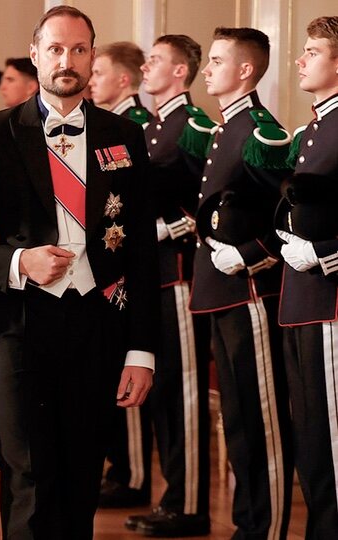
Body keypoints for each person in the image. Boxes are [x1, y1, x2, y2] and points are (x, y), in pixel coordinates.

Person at [0, 6, 159, 538]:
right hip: (20, 325)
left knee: (81, 476)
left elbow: (143, 254)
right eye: (55, 49)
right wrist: (17, 262)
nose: (67, 60)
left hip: (98, 326)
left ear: (92, 57)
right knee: (28, 473)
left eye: (79, 50)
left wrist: (141, 351)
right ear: (36, 55)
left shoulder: (124, 136)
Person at [190, 27, 294, 540]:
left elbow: (291, 215)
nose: (206, 70)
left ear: (245, 70)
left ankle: (267, 528)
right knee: (237, 418)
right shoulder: (225, 128)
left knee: (262, 421)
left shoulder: (260, 130)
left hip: (250, 290)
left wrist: (253, 256)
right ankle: (247, 525)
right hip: (222, 290)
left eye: (215, 61)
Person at [123, 34, 213, 537]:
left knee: (182, 391)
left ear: (180, 71)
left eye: (156, 60)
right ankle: (171, 494)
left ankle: (190, 503)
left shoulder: (194, 126)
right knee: (159, 394)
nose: (147, 68)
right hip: (150, 273)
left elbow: (212, 205)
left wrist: (171, 227)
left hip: (178, 272)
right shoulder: (154, 127)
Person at [278, 15, 338, 538]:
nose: (300, 60)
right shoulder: (313, 127)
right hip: (300, 295)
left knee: (332, 434)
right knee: (310, 430)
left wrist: (326, 253)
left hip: (330, 296)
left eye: (313, 51)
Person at [90, 40, 156, 511]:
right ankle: (121, 466)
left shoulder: (133, 128)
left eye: (99, 72)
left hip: (128, 271)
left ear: (123, 80)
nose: (91, 80)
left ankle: (132, 472)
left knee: (126, 378)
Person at [90, 41, 152, 126]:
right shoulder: (114, 119)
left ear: (123, 80)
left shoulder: (136, 125)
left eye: (98, 73)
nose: (91, 82)